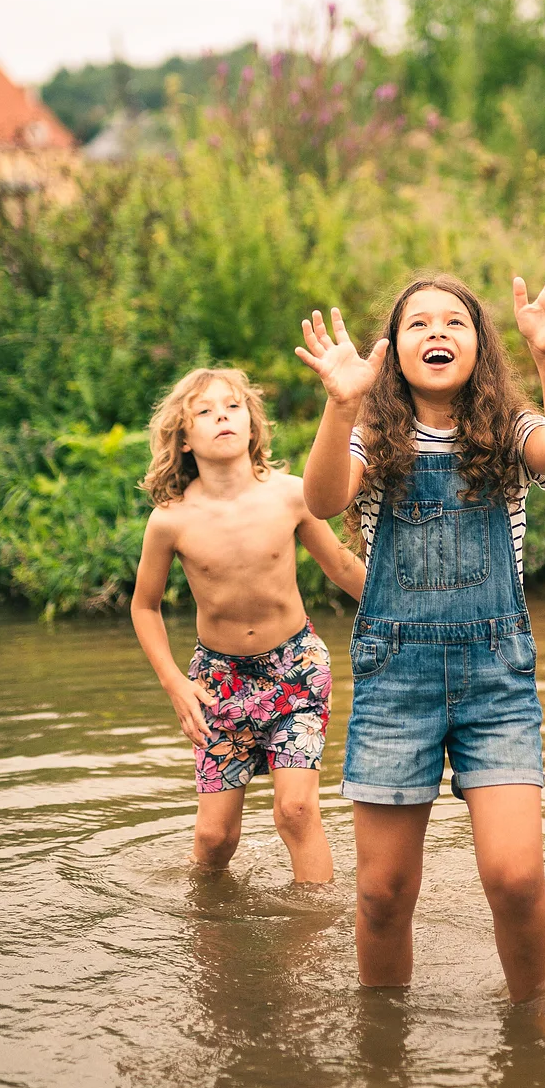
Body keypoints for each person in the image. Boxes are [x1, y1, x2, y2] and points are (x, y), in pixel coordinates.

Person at [297, 263, 545, 1000]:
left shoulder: (507, 432)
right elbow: (324, 496)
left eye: (454, 322)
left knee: (517, 878)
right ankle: (384, 1035)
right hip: (396, 683)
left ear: (481, 346)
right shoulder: (371, 436)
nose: (436, 332)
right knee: (383, 894)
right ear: (392, 352)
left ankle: (536, 1014)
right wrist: (341, 408)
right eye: (418, 324)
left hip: (496, 681)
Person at [130, 366, 365, 884]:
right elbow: (144, 607)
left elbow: (343, 567)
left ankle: (313, 935)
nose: (222, 417)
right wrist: (175, 683)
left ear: (253, 426)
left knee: (296, 812)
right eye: (205, 411)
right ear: (184, 438)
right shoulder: (171, 519)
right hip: (217, 683)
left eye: (233, 407)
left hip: (296, 670)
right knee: (216, 838)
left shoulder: (290, 495)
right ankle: (210, 922)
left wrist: (405, 615)